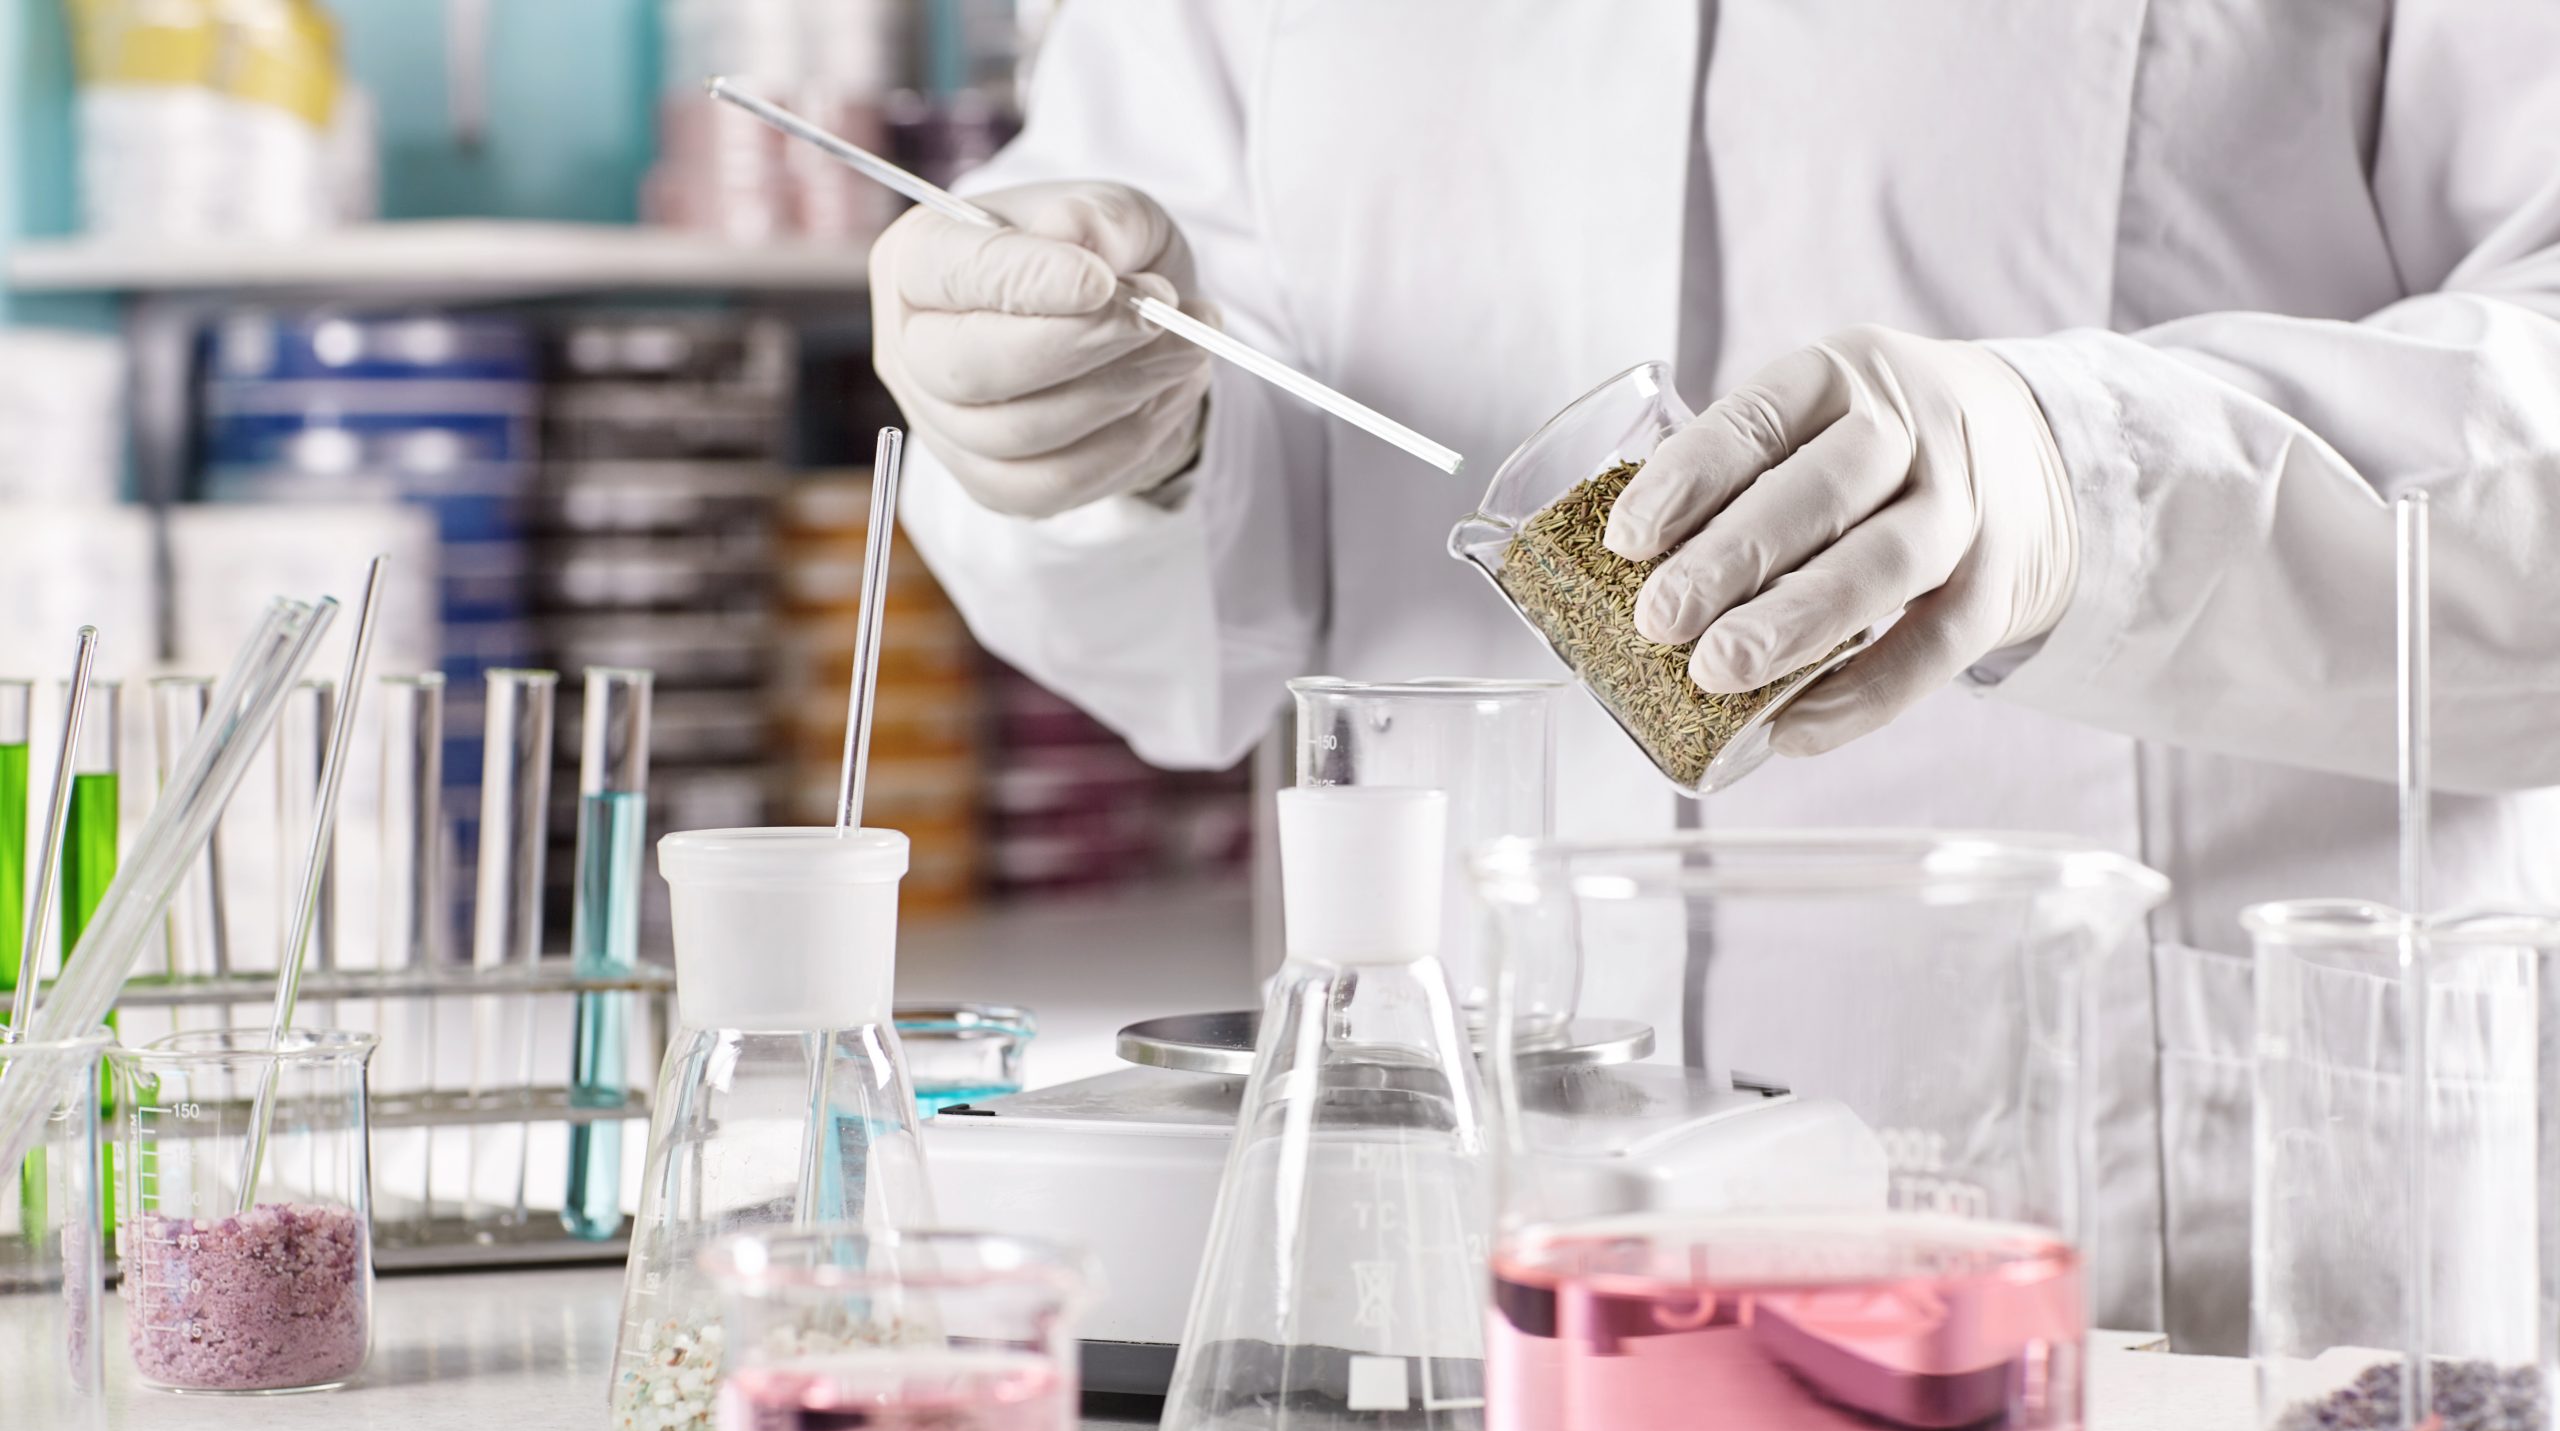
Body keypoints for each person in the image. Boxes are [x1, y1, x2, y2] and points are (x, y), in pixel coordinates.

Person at [876, 1, 2560, 1352]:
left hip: (2174, 1270)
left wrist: (2088, 484)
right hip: (1458, 1279)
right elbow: (1184, 589)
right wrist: (1102, 440)